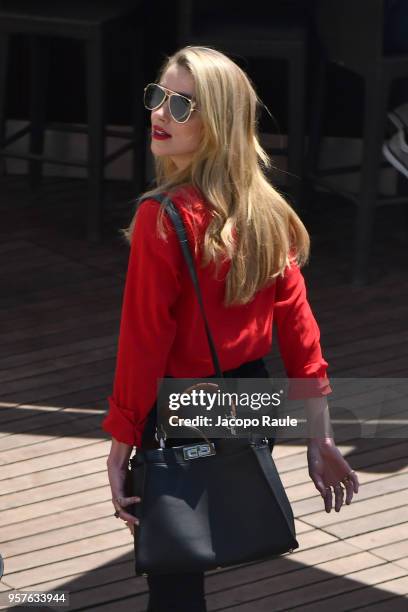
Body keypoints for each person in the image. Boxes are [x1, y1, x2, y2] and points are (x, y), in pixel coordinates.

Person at [102, 45, 360, 612]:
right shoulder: (266, 210)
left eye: (183, 106)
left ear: (217, 124)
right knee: (203, 539)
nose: (160, 114)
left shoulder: (162, 216)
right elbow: (301, 334)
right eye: (158, 96)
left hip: (181, 407)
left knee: (172, 565)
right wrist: (321, 438)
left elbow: (144, 342)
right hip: (249, 401)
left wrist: (122, 439)